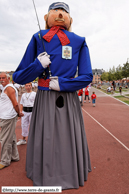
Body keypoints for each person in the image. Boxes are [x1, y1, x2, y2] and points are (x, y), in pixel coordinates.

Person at [13, 2, 93, 190]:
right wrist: (37, 66)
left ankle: (70, 173)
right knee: (46, 137)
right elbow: (18, 76)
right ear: (46, 18)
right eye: (55, 11)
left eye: (64, 12)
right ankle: (44, 173)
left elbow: (87, 76)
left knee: (66, 138)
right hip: (44, 98)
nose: (59, 14)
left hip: (68, 98)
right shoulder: (37, 38)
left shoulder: (79, 41)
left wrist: (64, 84)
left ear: (70, 19)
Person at [0, 72, 24, 170]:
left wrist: (19, 113)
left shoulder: (9, 88)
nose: (1, 79)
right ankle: (15, 156)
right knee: (12, 137)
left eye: (3, 78)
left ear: (8, 78)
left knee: (5, 139)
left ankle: (5, 161)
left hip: (8, 118)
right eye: (0, 78)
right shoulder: (6, 88)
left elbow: (15, 104)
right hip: (7, 116)